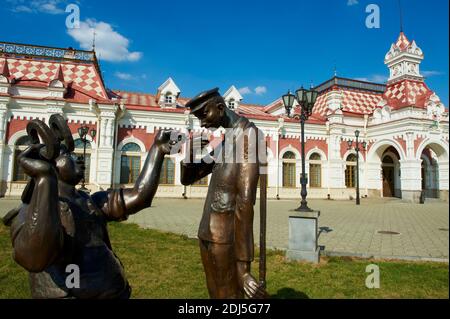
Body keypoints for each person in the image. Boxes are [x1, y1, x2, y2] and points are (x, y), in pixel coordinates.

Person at [5, 117, 178, 299]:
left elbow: (140, 196)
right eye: (68, 156)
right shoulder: (31, 209)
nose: (78, 158)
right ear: (50, 165)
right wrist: (45, 179)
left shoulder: (91, 202)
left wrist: (157, 150)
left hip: (116, 292)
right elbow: (35, 258)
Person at [181, 88, 266, 299]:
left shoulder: (248, 136)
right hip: (207, 233)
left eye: (204, 115)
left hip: (226, 239)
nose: (202, 123)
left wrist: (243, 267)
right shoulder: (227, 139)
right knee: (215, 293)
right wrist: (189, 154)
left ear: (220, 108)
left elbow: (245, 202)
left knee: (227, 296)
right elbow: (188, 178)